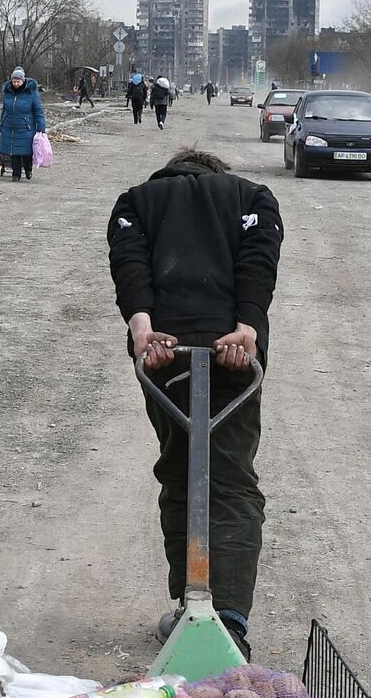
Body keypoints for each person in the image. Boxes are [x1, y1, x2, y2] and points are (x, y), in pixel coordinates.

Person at [106, 146, 284, 659]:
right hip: (233, 354)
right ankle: (225, 620)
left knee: (182, 469)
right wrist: (246, 325)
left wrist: (143, 327)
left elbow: (129, 263)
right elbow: (259, 258)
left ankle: (191, 611)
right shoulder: (252, 196)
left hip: (166, 352)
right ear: (216, 173)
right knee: (228, 477)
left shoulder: (136, 202)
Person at [0, 66, 46, 182]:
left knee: (26, 152)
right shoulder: (8, 92)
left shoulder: (32, 93)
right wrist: (2, 123)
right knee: (13, 151)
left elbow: (38, 111)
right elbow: (4, 109)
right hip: (10, 126)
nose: (16, 84)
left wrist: (41, 128)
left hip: (26, 127)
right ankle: (16, 174)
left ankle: (28, 169)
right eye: (14, 81)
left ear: (23, 80)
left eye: (18, 81)